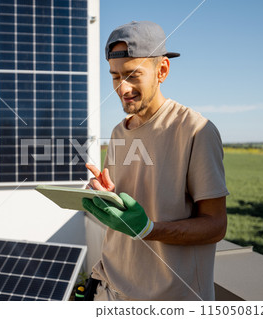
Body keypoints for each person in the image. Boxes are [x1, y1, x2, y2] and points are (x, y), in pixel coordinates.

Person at [82, 21, 229, 301]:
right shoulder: (118, 131)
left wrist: (148, 229)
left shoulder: (196, 130)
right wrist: (108, 197)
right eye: (115, 77)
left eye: (132, 75)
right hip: (111, 289)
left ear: (162, 70)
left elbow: (215, 225)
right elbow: (135, 204)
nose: (122, 88)